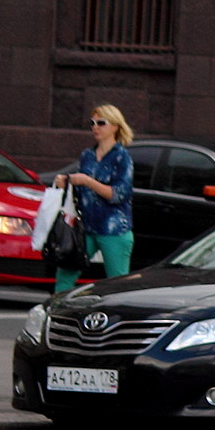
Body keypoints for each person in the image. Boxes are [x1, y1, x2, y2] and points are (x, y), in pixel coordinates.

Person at [53, 105, 135, 294]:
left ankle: (118, 319)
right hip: (86, 227)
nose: (95, 127)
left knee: (117, 283)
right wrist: (68, 182)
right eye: (92, 123)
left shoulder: (122, 157)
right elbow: (81, 190)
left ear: (115, 126)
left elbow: (119, 194)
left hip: (113, 228)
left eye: (101, 123)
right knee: (65, 273)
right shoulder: (87, 155)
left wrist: (88, 182)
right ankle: (54, 313)